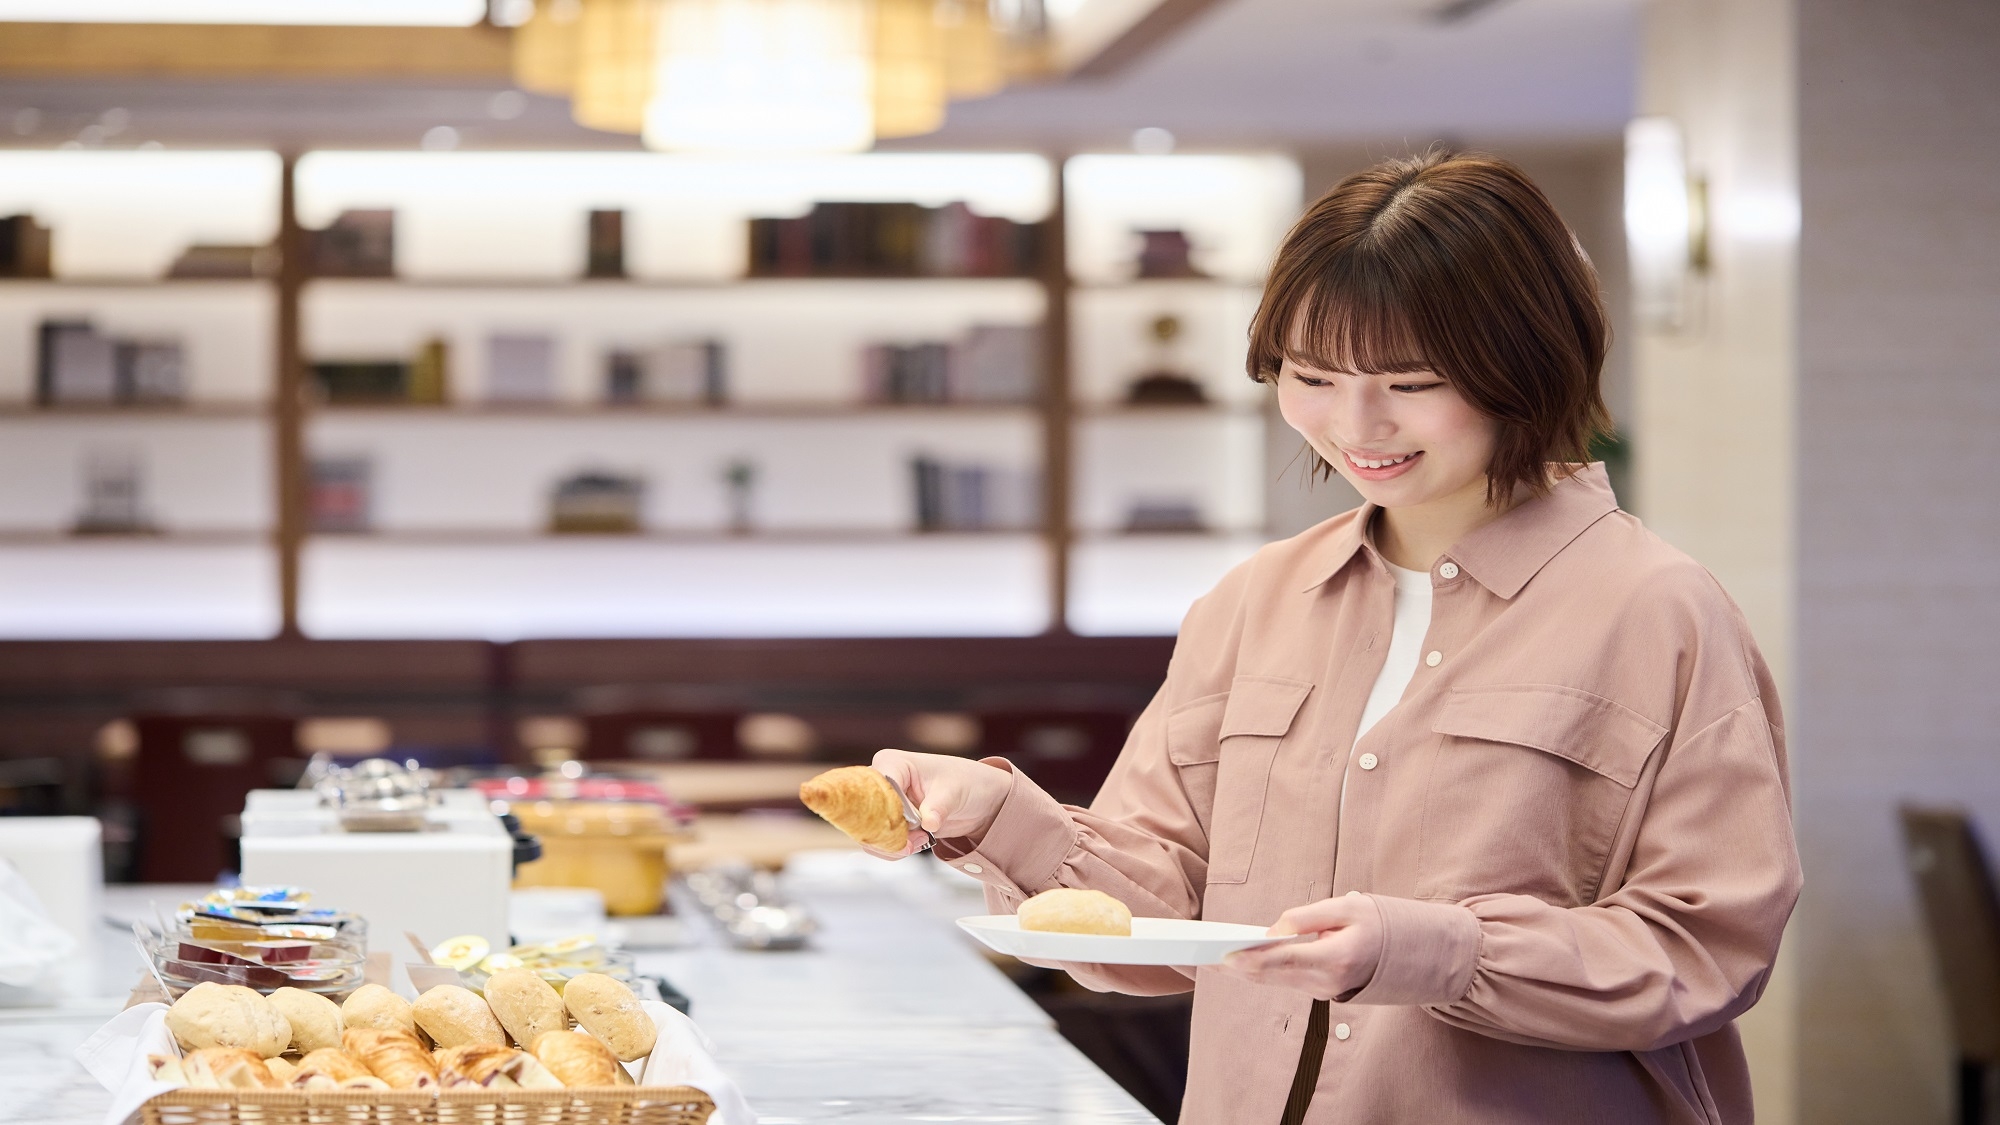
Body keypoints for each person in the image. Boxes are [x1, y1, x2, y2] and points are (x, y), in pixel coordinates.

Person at [872, 150, 1801, 1124]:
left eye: (1410, 381)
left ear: (1525, 365)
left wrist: (1428, 953)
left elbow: (1704, 950)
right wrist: (995, 814)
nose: (1354, 423)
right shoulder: (1255, 600)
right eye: (1311, 375)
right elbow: (1158, 917)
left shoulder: (1657, 610)